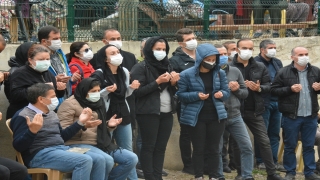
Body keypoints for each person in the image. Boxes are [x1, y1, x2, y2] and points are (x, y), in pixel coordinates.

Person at [58, 77, 138, 180]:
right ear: (84, 91)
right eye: (93, 91)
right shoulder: (69, 104)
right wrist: (83, 125)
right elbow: (63, 133)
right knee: (107, 160)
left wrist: (109, 125)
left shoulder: (98, 102)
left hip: (100, 143)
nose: (96, 93)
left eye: (98, 91)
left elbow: (99, 126)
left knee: (131, 158)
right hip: (76, 143)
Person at [10, 83, 94, 180]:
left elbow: (61, 137)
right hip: (38, 155)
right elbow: (18, 146)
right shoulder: (23, 115)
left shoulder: (51, 113)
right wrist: (32, 132)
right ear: (41, 99)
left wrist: (80, 122)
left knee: (99, 159)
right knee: (83, 161)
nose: (56, 99)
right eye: (53, 97)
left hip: (60, 149)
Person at [229, 38, 283, 180]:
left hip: (255, 109)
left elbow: (269, 86)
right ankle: (241, 173)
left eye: (250, 48)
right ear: (237, 49)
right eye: (244, 47)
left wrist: (258, 88)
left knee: (264, 141)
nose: (247, 51)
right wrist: (235, 88)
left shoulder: (259, 66)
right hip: (235, 111)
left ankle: (271, 173)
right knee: (236, 143)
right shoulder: (228, 66)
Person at [177, 43, 230, 180]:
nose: (211, 63)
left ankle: (214, 176)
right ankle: (199, 175)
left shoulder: (220, 73)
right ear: (200, 58)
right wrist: (196, 95)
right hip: (196, 117)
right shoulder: (186, 74)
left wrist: (221, 94)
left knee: (214, 149)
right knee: (199, 148)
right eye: (208, 59)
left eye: (213, 60)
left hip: (216, 115)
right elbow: (180, 95)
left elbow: (227, 92)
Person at [130, 36, 179, 180]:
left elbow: (172, 90)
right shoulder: (140, 67)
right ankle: (149, 176)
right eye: (158, 49)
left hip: (167, 112)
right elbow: (137, 92)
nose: (161, 52)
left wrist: (174, 83)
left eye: (164, 49)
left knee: (161, 147)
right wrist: (157, 82)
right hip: (148, 113)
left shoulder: (168, 65)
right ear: (149, 50)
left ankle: (158, 176)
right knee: (148, 146)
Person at [90, 44, 140, 180]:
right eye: (112, 53)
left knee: (128, 150)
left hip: (123, 112)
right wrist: (106, 91)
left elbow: (124, 94)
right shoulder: (99, 73)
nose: (117, 55)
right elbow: (92, 95)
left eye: (118, 52)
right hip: (106, 114)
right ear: (106, 59)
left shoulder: (123, 71)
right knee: (105, 149)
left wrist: (131, 88)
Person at [271, 47, 320, 180]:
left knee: (309, 146)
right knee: (290, 145)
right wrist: (289, 89)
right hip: (291, 116)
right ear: (293, 57)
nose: (304, 57)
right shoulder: (283, 72)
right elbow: (273, 90)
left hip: (310, 116)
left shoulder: (315, 71)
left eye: (306, 54)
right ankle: (290, 172)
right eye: (300, 54)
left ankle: (309, 172)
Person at [214, 44, 254, 180]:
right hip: (217, 117)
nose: (223, 57)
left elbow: (245, 93)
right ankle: (219, 175)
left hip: (235, 116)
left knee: (247, 147)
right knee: (218, 149)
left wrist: (237, 89)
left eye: (225, 53)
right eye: (219, 54)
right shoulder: (208, 72)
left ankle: (247, 175)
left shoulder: (235, 71)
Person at [6, 44, 66, 119]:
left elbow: (54, 95)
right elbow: (15, 95)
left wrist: (60, 90)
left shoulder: (48, 73)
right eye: (41, 59)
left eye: (47, 59)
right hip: (24, 115)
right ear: (30, 60)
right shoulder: (20, 73)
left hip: (45, 114)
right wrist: (40, 88)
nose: (45, 62)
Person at [169, 28, 197, 175]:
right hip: (185, 102)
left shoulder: (202, 55)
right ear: (181, 43)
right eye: (188, 40)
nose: (192, 41)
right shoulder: (175, 60)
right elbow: (173, 83)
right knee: (186, 134)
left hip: (205, 100)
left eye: (193, 38)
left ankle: (202, 162)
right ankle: (188, 164)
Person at [0, 34, 28, 180]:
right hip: (19, 112)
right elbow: (13, 95)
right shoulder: (17, 72)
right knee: (3, 172)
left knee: (19, 170)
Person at [253, 39, 284, 171]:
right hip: (263, 102)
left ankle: (273, 161)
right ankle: (261, 161)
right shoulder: (255, 63)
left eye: (275, 47)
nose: (273, 50)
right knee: (262, 133)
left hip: (277, 102)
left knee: (274, 133)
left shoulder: (277, 62)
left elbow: (282, 79)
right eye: (271, 47)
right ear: (262, 49)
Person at [38, 25, 81, 102]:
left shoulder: (59, 52)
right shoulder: (38, 58)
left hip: (66, 95)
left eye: (59, 38)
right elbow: (39, 80)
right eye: (55, 39)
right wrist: (55, 80)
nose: (58, 41)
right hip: (51, 98)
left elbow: (66, 70)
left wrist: (71, 78)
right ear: (44, 41)